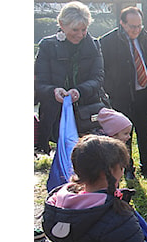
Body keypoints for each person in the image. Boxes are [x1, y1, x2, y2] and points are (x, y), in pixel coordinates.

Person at [42, 135, 147, 242]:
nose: (122, 171)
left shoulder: (58, 206)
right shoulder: (117, 217)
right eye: (121, 167)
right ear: (109, 172)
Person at [34, 1, 104, 154]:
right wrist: (54, 91)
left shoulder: (94, 45)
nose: (80, 34)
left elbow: (98, 78)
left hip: (86, 110)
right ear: (61, 24)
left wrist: (79, 91)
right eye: (75, 29)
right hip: (55, 113)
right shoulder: (47, 46)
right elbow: (39, 82)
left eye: (84, 29)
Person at [101, 6, 147, 177]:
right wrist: (111, 90)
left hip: (144, 93)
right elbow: (103, 70)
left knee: (145, 131)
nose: (136, 30)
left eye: (139, 26)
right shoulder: (108, 41)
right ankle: (127, 168)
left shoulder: (146, 39)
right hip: (122, 95)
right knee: (124, 134)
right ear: (122, 23)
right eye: (132, 26)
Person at [97, 107, 136, 179]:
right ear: (113, 134)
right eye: (125, 133)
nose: (129, 137)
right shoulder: (105, 153)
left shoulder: (117, 149)